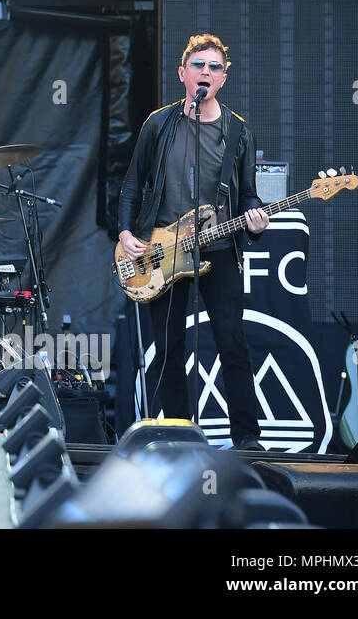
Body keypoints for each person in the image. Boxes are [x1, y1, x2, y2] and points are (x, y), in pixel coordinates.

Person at [118, 33, 270, 450]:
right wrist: (127, 232)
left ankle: (246, 437)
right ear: (183, 73)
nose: (206, 72)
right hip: (163, 250)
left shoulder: (237, 132)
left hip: (218, 249)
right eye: (199, 65)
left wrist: (256, 220)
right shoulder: (159, 123)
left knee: (232, 342)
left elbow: (248, 194)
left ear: (223, 78)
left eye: (215, 67)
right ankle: (182, 434)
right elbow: (133, 183)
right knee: (168, 348)